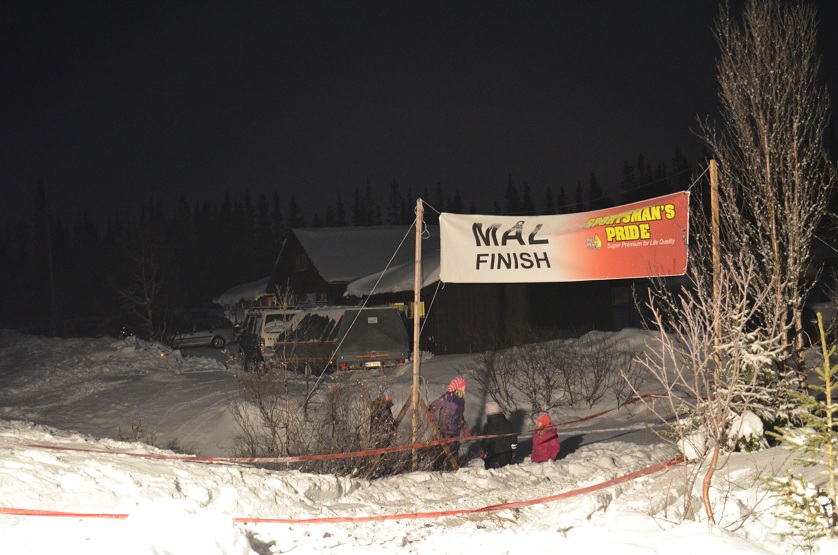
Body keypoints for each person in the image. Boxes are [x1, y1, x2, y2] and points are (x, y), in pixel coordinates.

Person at [427, 376, 468, 470]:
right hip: (445, 431)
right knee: (441, 456)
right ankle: (436, 472)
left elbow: (460, 416)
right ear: (459, 386)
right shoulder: (448, 397)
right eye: (464, 385)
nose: (465, 387)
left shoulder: (461, 400)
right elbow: (434, 406)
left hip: (455, 432)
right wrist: (431, 414)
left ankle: (451, 474)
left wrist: (465, 427)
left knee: (453, 457)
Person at [480, 401, 517, 469]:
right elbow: (514, 439)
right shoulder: (507, 424)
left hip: (494, 459)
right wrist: (513, 451)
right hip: (508, 457)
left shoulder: (488, 427)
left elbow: (485, 443)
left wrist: (483, 450)